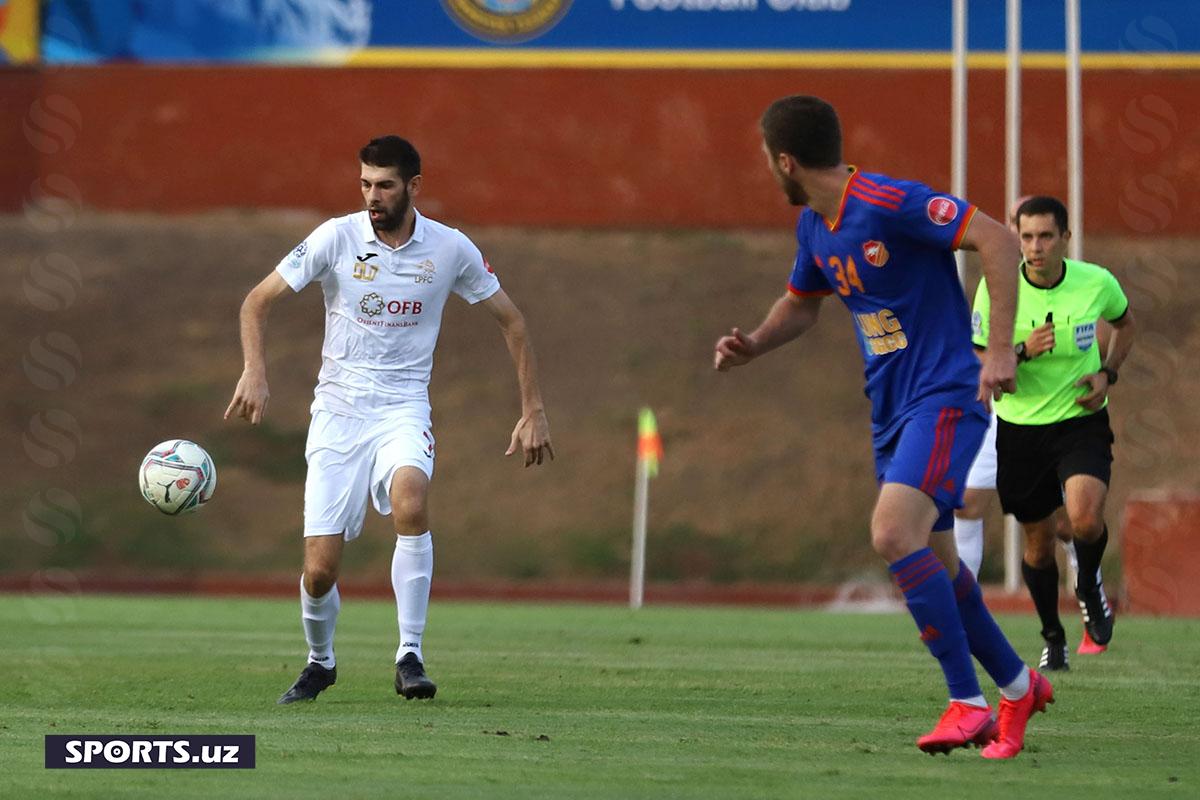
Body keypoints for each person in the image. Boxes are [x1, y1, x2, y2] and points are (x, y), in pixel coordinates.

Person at [715, 95, 1051, 760]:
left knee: (892, 532)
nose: (767, 172)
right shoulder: (816, 226)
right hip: (891, 410)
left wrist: (1004, 348)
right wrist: (754, 342)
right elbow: (802, 305)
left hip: (946, 394)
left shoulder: (889, 201)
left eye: (766, 161)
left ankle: (968, 703)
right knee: (946, 569)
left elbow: (998, 237)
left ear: (785, 160)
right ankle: (1018, 684)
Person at [225, 135, 553, 704]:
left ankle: (410, 655)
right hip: (337, 415)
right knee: (320, 572)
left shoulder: (450, 249)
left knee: (412, 500)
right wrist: (254, 370)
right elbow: (257, 300)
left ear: (414, 187)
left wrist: (533, 409)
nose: (372, 196)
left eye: (384, 186)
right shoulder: (335, 237)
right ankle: (320, 662)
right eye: (365, 185)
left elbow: (513, 321)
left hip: (403, 408)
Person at [972, 195, 1134, 674]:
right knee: (1039, 545)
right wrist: (1021, 350)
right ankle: (1052, 636)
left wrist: (1108, 373)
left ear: (1065, 237)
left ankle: (1087, 584)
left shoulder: (1096, 282)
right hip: (1021, 430)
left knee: (1084, 520)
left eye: (1045, 237)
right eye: (1025, 237)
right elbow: (981, 362)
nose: (1035, 247)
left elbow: (1125, 324)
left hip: (1080, 420)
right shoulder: (996, 289)